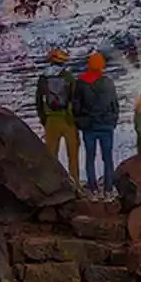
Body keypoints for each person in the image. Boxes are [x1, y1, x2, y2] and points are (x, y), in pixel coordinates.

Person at [74, 52, 120, 197]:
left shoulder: (80, 83)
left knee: (90, 157)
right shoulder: (108, 82)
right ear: (102, 66)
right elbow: (115, 105)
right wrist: (113, 121)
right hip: (106, 126)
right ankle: (108, 189)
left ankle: (93, 189)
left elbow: (76, 106)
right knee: (107, 158)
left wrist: (79, 121)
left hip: (89, 126)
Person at [34, 47, 79, 188]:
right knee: (72, 154)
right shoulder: (68, 77)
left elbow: (38, 100)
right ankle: (75, 183)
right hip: (67, 119)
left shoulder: (43, 78)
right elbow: (75, 99)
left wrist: (44, 119)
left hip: (51, 119)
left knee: (51, 155)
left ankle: (52, 184)